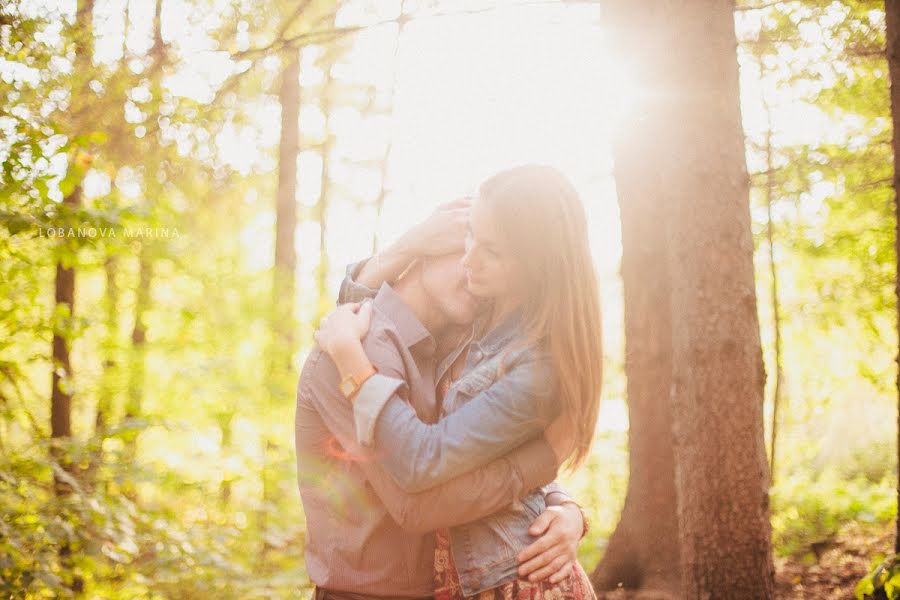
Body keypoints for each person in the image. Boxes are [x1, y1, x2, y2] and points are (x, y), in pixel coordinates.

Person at [315, 164, 603, 599]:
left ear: (537, 263)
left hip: (511, 578)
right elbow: (369, 312)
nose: (469, 261)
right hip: (458, 579)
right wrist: (413, 241)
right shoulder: (479, 317)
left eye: (492, 250)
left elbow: (421, 462)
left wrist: (351, 361)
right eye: (468, 235)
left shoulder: (537, 367)